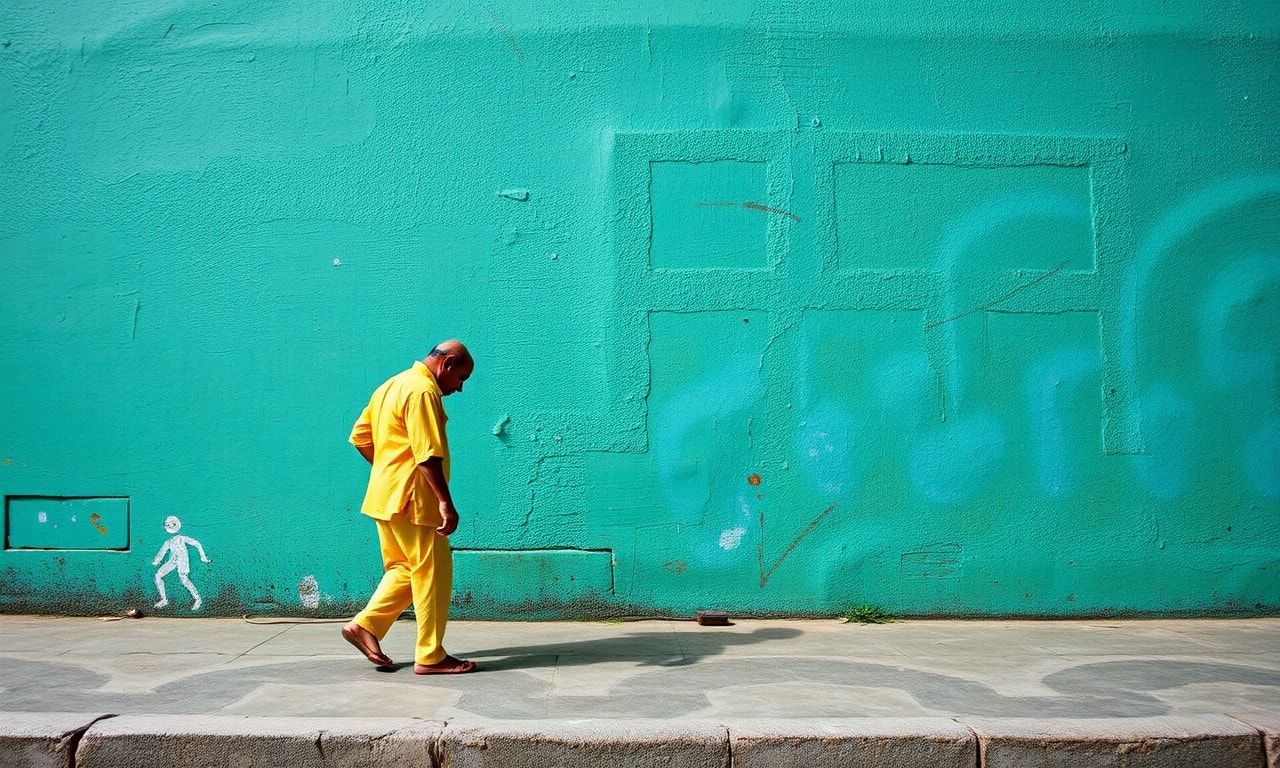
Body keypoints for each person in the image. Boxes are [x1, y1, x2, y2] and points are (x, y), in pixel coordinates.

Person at [341, 340, 477, 675]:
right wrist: (445, 502)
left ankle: (366, 627)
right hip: (415, 500)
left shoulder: (392, 385)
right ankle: (431, 655)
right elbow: (427, 453)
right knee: (433, 575)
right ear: (447, 364)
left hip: (385, 497)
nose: (459, 388)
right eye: (461, 378)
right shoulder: (422, 392)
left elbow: (360, 437)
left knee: (404, 569)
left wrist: (391, 471)